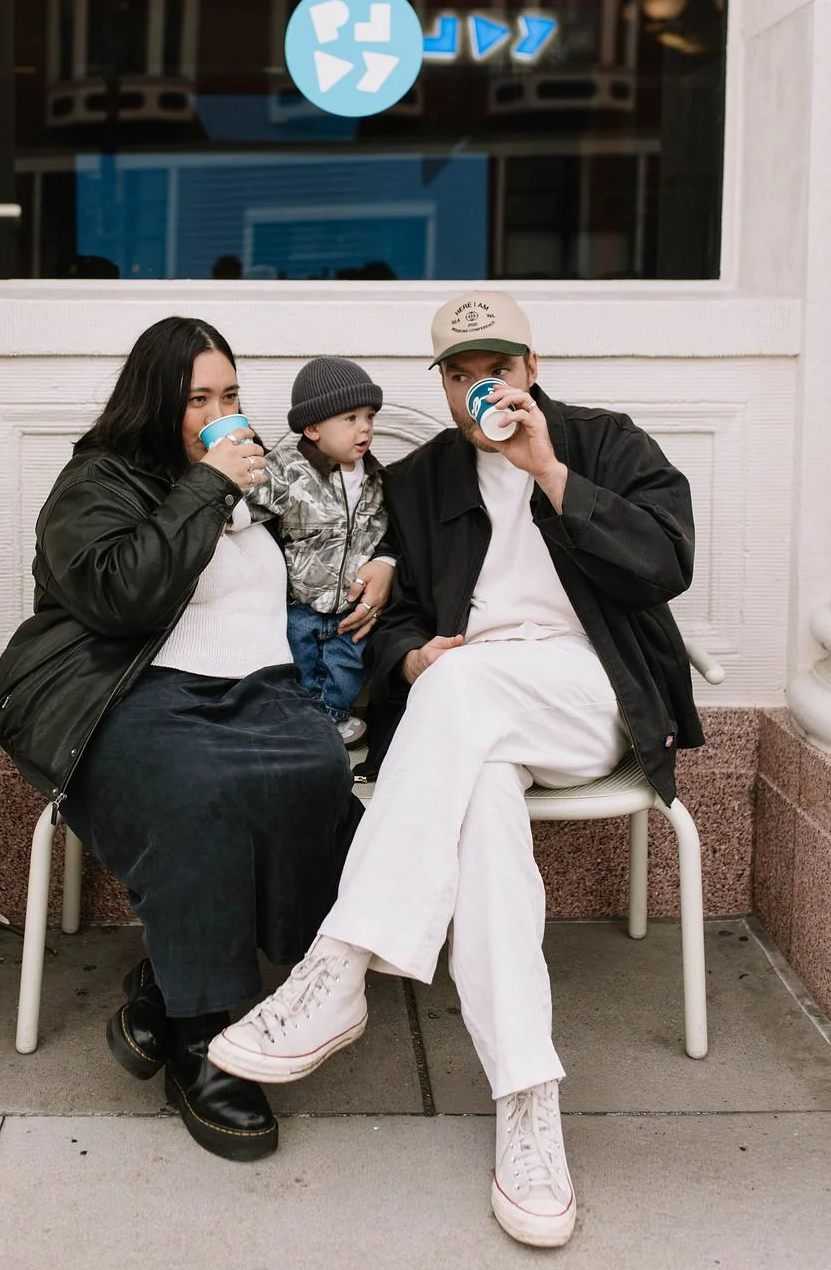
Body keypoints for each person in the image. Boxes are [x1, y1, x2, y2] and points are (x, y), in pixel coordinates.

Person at [208, 290, 704, 1246]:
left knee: (461, 692)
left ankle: (339, 965)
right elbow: (390, 613)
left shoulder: (605, 443)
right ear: (441, 385)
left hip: (585, 697)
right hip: (468, 719)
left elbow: (665, 563)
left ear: (531, 370)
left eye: (499, 369)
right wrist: (405, 658)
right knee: (476, 794)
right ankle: (528, 1105)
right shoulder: (424, 475)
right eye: (462, 374)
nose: (484, 388)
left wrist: (549, 471)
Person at [0, 316, 361, 1164]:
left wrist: (379, 567)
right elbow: (124, 597)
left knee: (317, 771)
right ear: (156, 401)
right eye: (198, 399)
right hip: (132, 693)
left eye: (231, 396)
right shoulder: (98, 481)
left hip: (263, 690)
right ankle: (201, 1039)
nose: (220, 415)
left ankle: (167, 983)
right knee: (198, 792)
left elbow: (323, 549)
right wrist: (206, 485)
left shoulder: (253, 482)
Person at [250, 356, 395, 748]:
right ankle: (305, 720)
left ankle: (330, 716)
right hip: (301, 600)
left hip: (351, 605)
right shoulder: (289, 469)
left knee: (349, 663)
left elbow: (385, 528)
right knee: (298, 663)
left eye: (369, 416)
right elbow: (250, 502)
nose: (365, 427)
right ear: (312, 428)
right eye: (350, 418)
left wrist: (386, 560)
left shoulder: (374, 477)